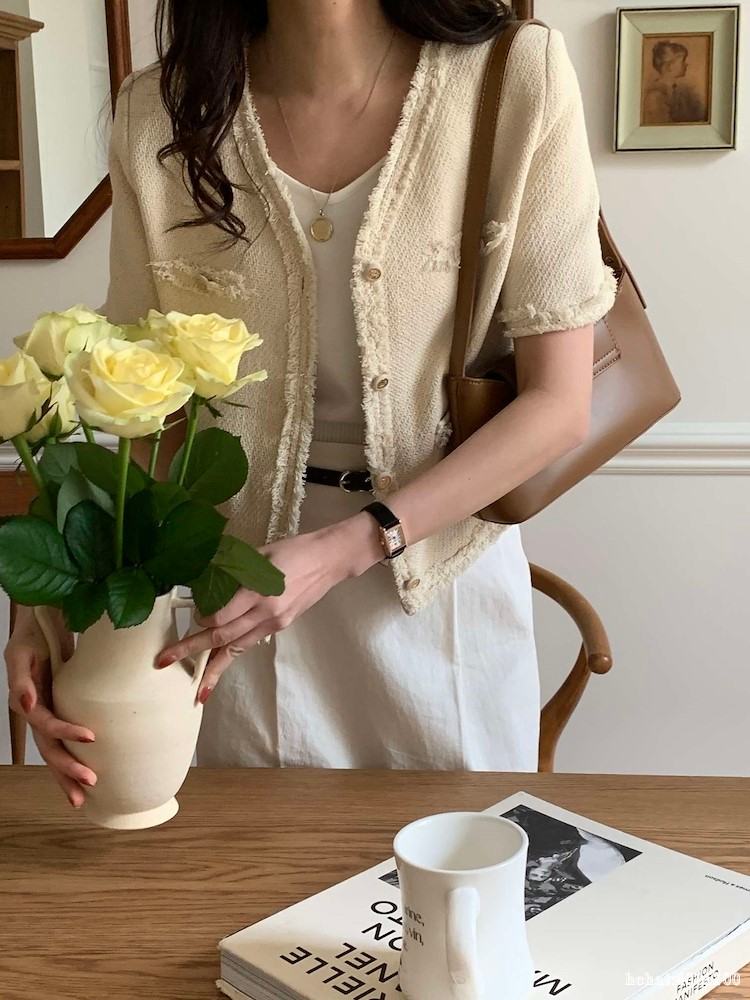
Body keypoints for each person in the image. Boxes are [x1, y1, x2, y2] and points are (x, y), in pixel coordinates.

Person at [5, 0, 617, 806]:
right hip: (231, 602)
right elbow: (151, 410)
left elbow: (559, 402)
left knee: (454, 871)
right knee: (243, 874)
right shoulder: (159, 111)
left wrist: (344, 549)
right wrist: (54, 600)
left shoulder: (512, 78)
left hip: (438, 598)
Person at [643, 40, 706, 125]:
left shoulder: (677, 92)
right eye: (683, 61)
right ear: (668, 66)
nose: (686, 64)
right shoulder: (655, 96)